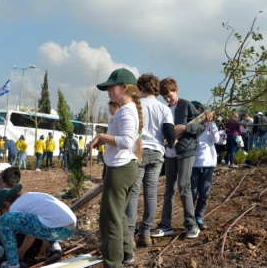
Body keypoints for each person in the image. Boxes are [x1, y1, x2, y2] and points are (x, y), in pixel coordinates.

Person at [88, 68, 142, 267]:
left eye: (111, 86)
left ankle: (113, 263)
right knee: (118, 215)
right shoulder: (128, 110)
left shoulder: (127, 111)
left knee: (109, 220)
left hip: (120, 170)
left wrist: (101, 137)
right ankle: (127, 252)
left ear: (124, 87)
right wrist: (104, 141)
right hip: (124, 168)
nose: (108, 90)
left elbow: (128, 141)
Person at [124, 73, 175, 249]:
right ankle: (145, 234)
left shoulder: (134, 106)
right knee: (151, 194)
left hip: (138, 152)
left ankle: (129, 235)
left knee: (133, 193)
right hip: (157, 152)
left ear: (142, 88)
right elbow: (171, 136)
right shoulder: (164, 109)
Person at [151, 77, 205, 241]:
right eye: (165, 97)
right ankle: (165, 225)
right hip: (169, 153)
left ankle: (191, 224)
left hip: (186, 151)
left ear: (176, 90)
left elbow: (200, 126)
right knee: (168, 190)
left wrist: (186, 127)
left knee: (184, 186)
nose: (168, 99)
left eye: (170, 95)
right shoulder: (164, 109)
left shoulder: (186, 105)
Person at [0, 185, 77, 268]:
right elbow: (33, 225)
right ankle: (55, 248)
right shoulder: (27, 197)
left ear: (6, 204)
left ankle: (13, 264)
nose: (6, 212)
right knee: (45, 218)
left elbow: (31, 233)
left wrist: (21, 252)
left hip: (55, 228)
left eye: (4, 211)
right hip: (68, 227)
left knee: (4, 220)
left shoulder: (13, 207)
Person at [190, 101, 218, 230]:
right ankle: (189, 219)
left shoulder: (211, 125)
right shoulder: (190, 126)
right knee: (192, 192)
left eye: (198, 111)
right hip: (193, 163)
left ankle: (199, 216)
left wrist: (210, 124)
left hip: (208, 163)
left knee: (204, 192)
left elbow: (216, 139)